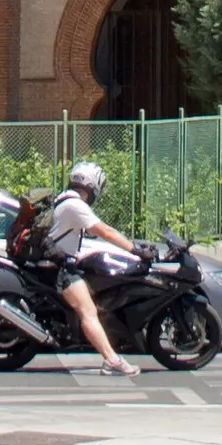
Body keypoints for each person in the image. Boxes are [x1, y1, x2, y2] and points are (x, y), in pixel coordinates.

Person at [42, 160, 140, 377]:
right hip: (61, 268)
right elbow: (104, 231)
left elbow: (94, 231)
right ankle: (112, 361)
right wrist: (135, 249)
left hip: (59, 262)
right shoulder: (75, 205)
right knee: (88, 312)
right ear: (92, 185)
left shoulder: (66, 199)